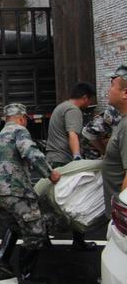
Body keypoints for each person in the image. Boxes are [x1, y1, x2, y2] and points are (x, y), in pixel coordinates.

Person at [0, 103, 60, 283]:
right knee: (35, 233)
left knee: (17, 227)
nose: (26, 122)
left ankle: (3, 257)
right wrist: (50, 173)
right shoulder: (19, 130)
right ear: (21, 118)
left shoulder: (1, 134)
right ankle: (27, 277)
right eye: (26, 119)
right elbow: (31, 152)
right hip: (15, 190)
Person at [45, 81, 97, 250]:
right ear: (84, 97)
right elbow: (72, 134)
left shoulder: (62, 107)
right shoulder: (73, 110)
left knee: (58, 201)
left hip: (54, 159)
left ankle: (72, 240)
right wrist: (77, 158)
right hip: (63, 161)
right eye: (90, 100)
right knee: (72, 202)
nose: (90, 104)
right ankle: (74, 241)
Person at [102, 64, 127, 217]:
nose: (108, 90)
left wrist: (123, 215)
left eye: (112, 86)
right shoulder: (122, 122)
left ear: (125, 93)